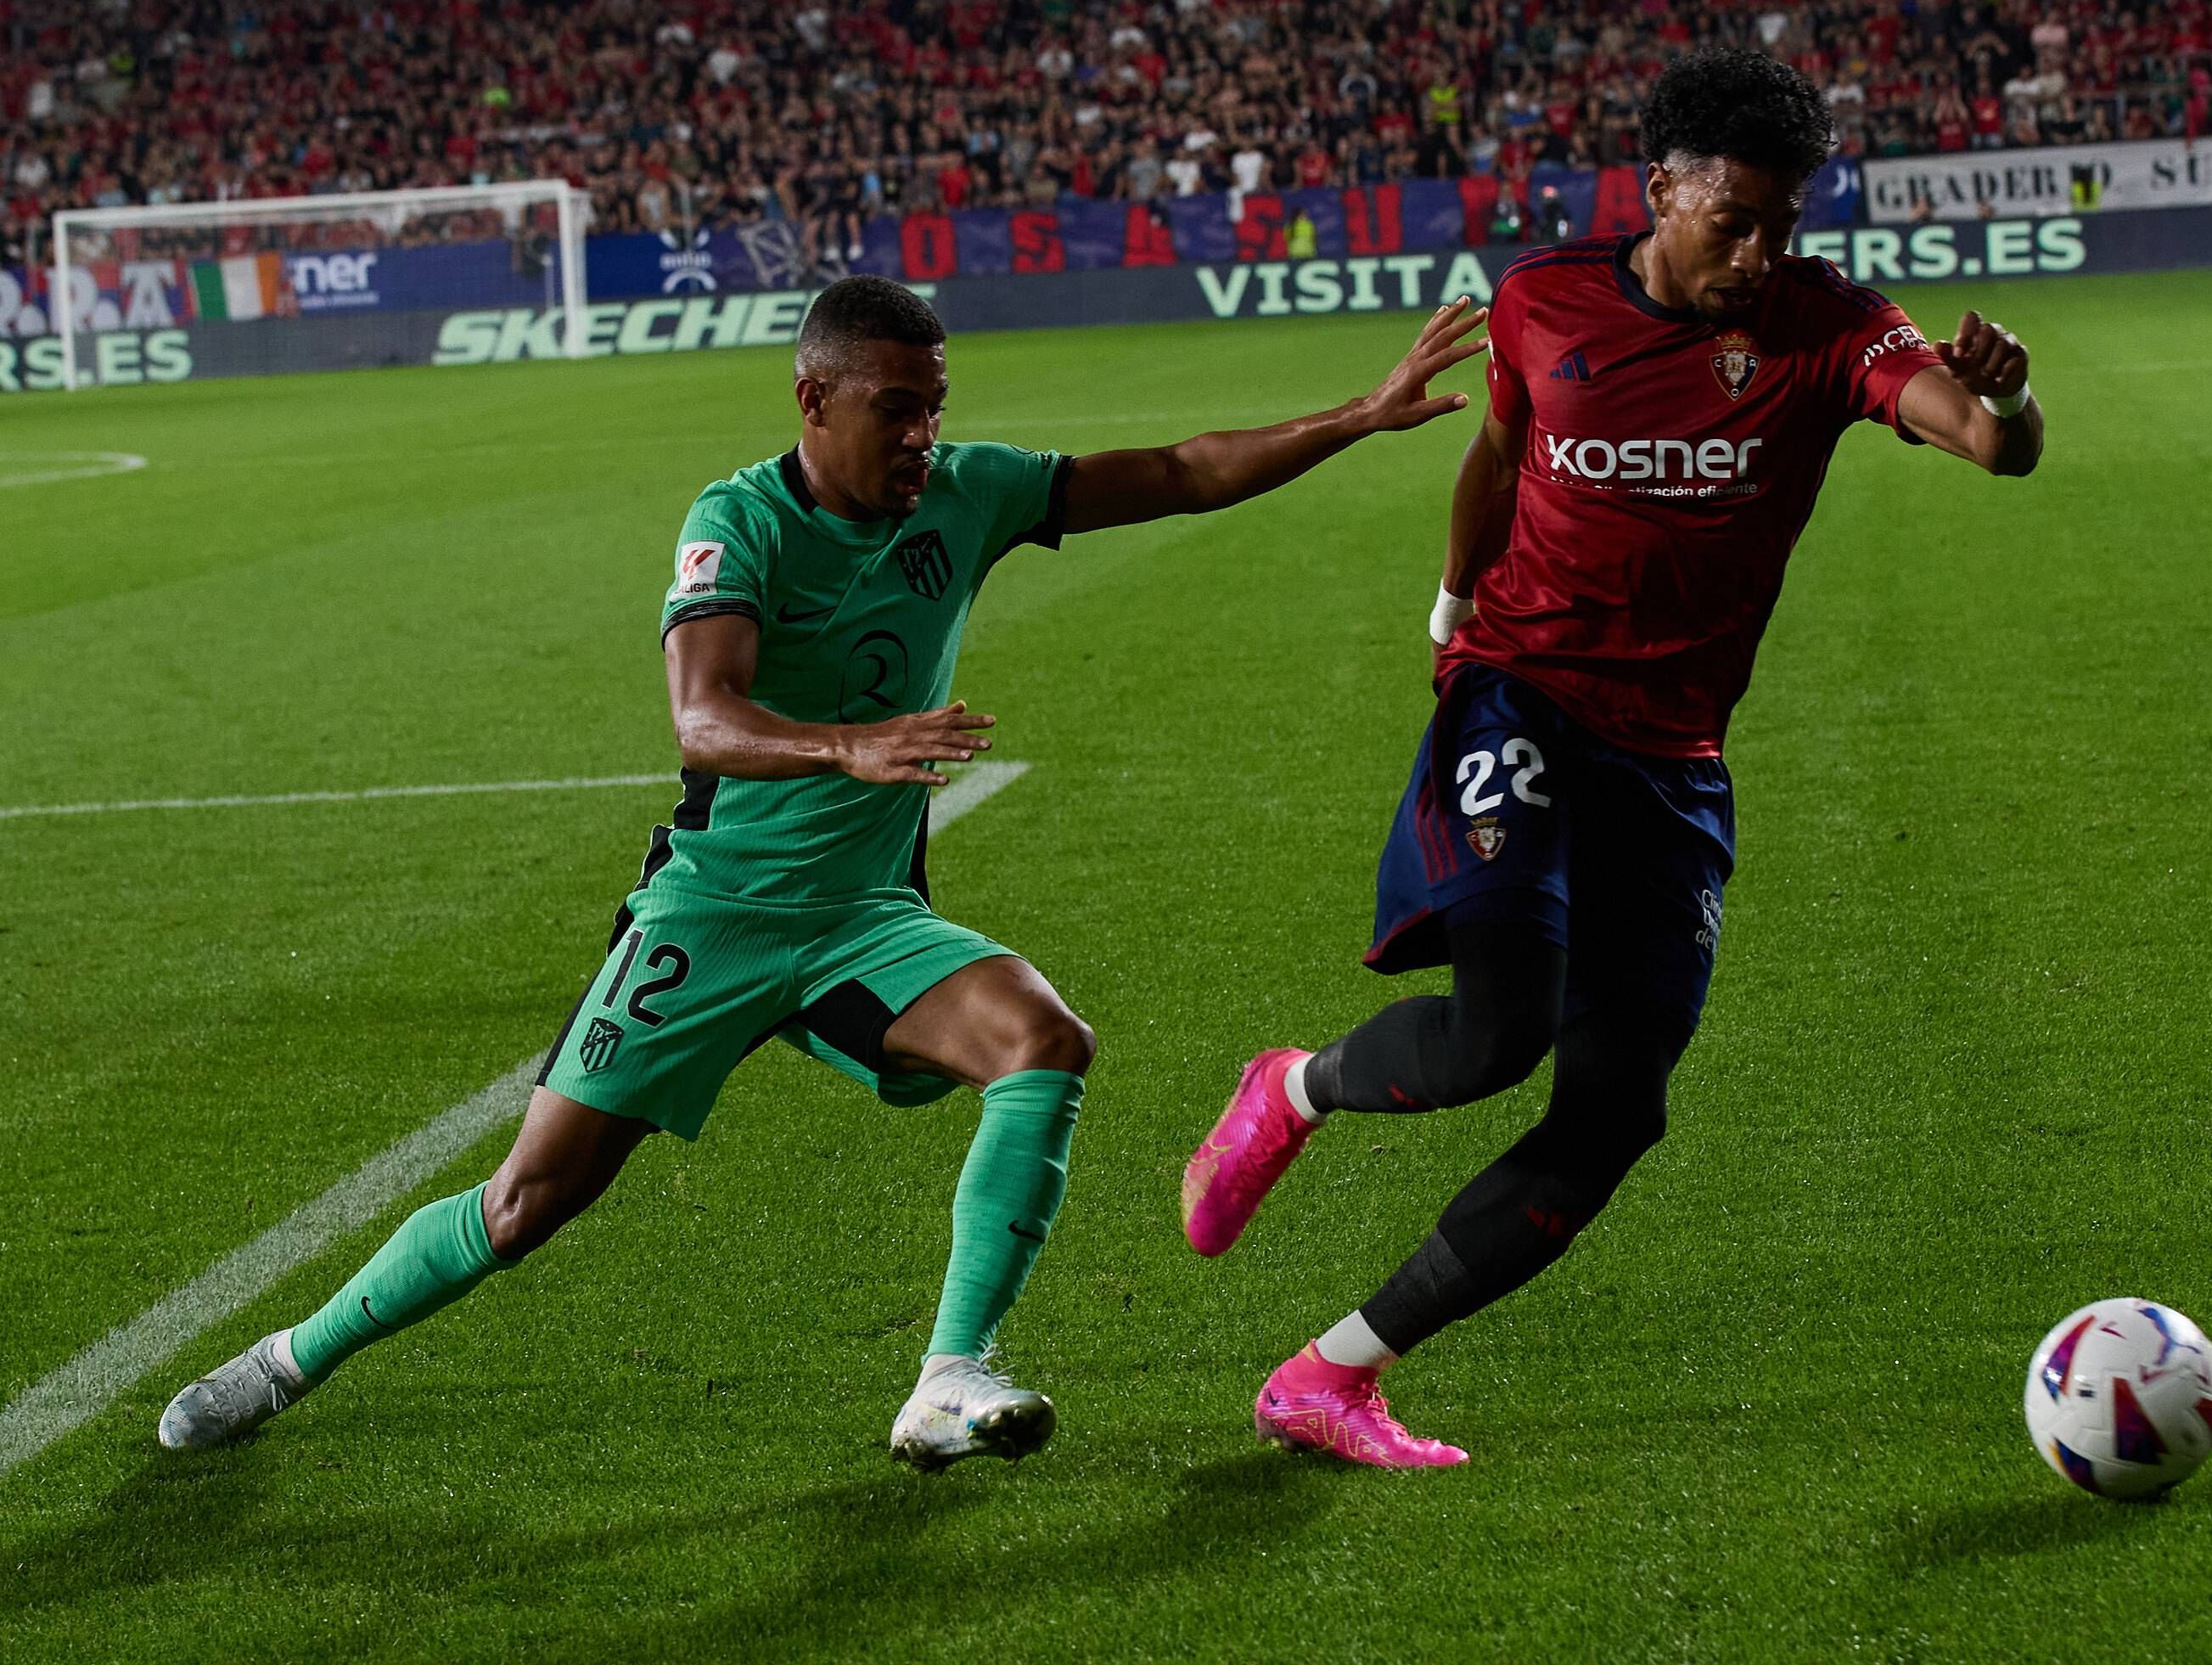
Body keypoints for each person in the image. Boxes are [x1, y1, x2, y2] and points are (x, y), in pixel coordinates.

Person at [158, 276, 1491, 1473]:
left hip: (862, 920)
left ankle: (947, 1377)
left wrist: (1354, 417)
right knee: (526, 1205)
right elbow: (704, 717)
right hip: (715, 914)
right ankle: (286, 1359)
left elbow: (1184, 470)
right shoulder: (738, 520)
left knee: (1043, 1042)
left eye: (935, 408)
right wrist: (850, 744)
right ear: (814, 398)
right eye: (896, 409)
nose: (922, 436)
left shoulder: (967, 492)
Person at [1181, 48, 2044, 1467]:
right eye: (1733, 221)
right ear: (1663, 191)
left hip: (1675, 759)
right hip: (1523, 696)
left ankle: (1331, 1375)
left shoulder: (1836, 330)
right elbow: (1504, 454)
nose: (1762, 253)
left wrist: (2007, 398)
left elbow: (1991, 450)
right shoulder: (1544, 298)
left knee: (1615, 1115)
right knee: (1496, 1034)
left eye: (1785, 223)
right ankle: (1292, 1089)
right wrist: (1456, 601)